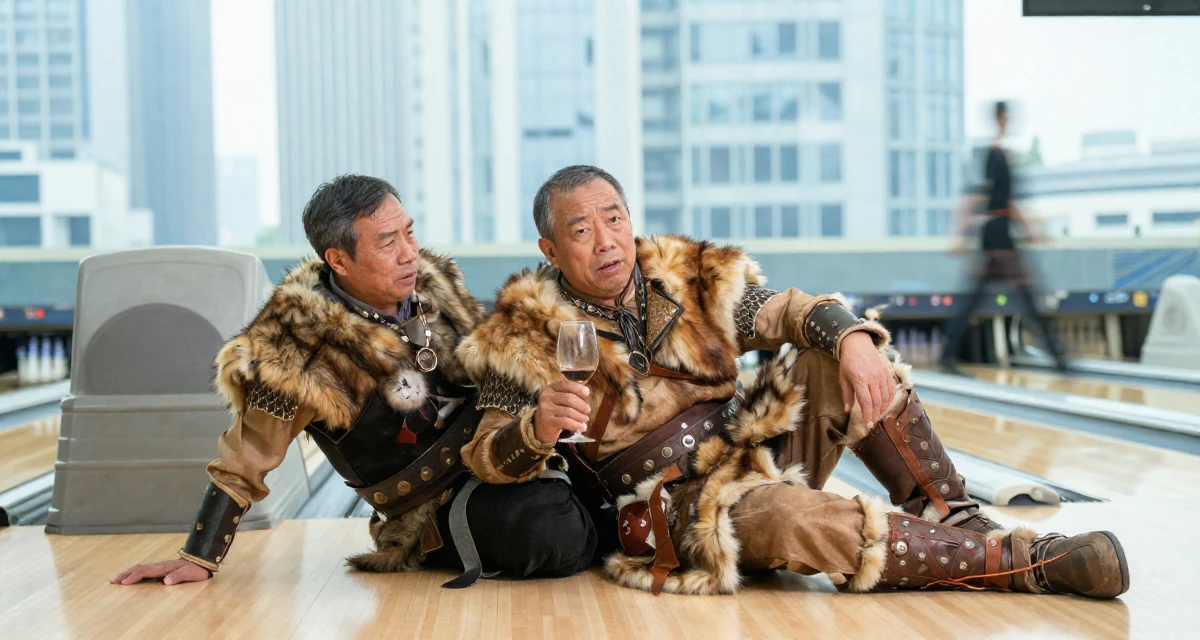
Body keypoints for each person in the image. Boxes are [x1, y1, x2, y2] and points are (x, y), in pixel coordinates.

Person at [455, 164, 1129, 598]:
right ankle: (1024, 562)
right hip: (675, 506)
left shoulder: (687, 279)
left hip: (751, 447)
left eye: (615, 219)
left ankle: (951, 514)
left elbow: (781, 310)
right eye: (581, 228)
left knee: (836, 358)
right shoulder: (520, 334)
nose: (605, 239)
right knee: (783, 513)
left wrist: (852, 337)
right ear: (549, 250)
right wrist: (535, 427)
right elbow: (486, 455)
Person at [111, 175, 594, 588]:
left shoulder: (432, 284)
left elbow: (490, 374)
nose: (409, 253)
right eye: (388, 242)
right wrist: (199, 556)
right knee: (550, 534)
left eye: (409, 232)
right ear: (338, 260)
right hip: (428, 510)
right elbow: (243, 462)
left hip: (501, 454)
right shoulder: (296, 348)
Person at [940, 101, 1068, 373]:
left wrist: (1031, 230)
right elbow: (976, 197)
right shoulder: (992, 155)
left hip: (1001, 232)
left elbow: (1006, 201)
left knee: (990, 297)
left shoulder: (1002, 155)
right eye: (1007, 117)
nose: (1010, 121)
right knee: (1026, 295)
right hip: (996, 235)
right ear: (999, 118)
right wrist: (961, 234)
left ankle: (947, 354)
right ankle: (1059, 359)